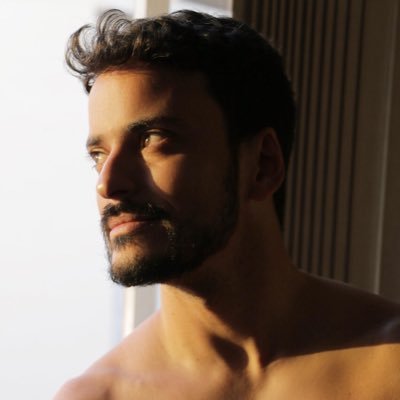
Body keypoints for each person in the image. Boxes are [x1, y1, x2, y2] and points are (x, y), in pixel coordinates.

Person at [54, 9, 400, 400]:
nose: (108, 183)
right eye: (99, 155)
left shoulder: (389, 368)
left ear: (263, 165)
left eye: (153, 139)